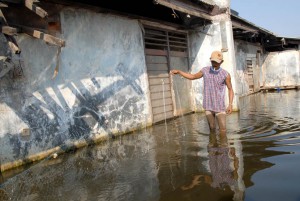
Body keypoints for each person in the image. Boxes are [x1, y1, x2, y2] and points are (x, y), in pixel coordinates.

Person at [170, 50, 234, 133]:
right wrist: (179, 72)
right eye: (213, 61)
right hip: (208, 105)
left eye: (217, 62)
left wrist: (230, 104)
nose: (215, 63)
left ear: (221, 62)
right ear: (210, 60)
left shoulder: (225, 74)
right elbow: (193, 76)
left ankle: (223, 145)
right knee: (212, 128)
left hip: (219, 106)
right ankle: (213, 145)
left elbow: (230, 89)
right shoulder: (205, 70)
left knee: (222, 130)